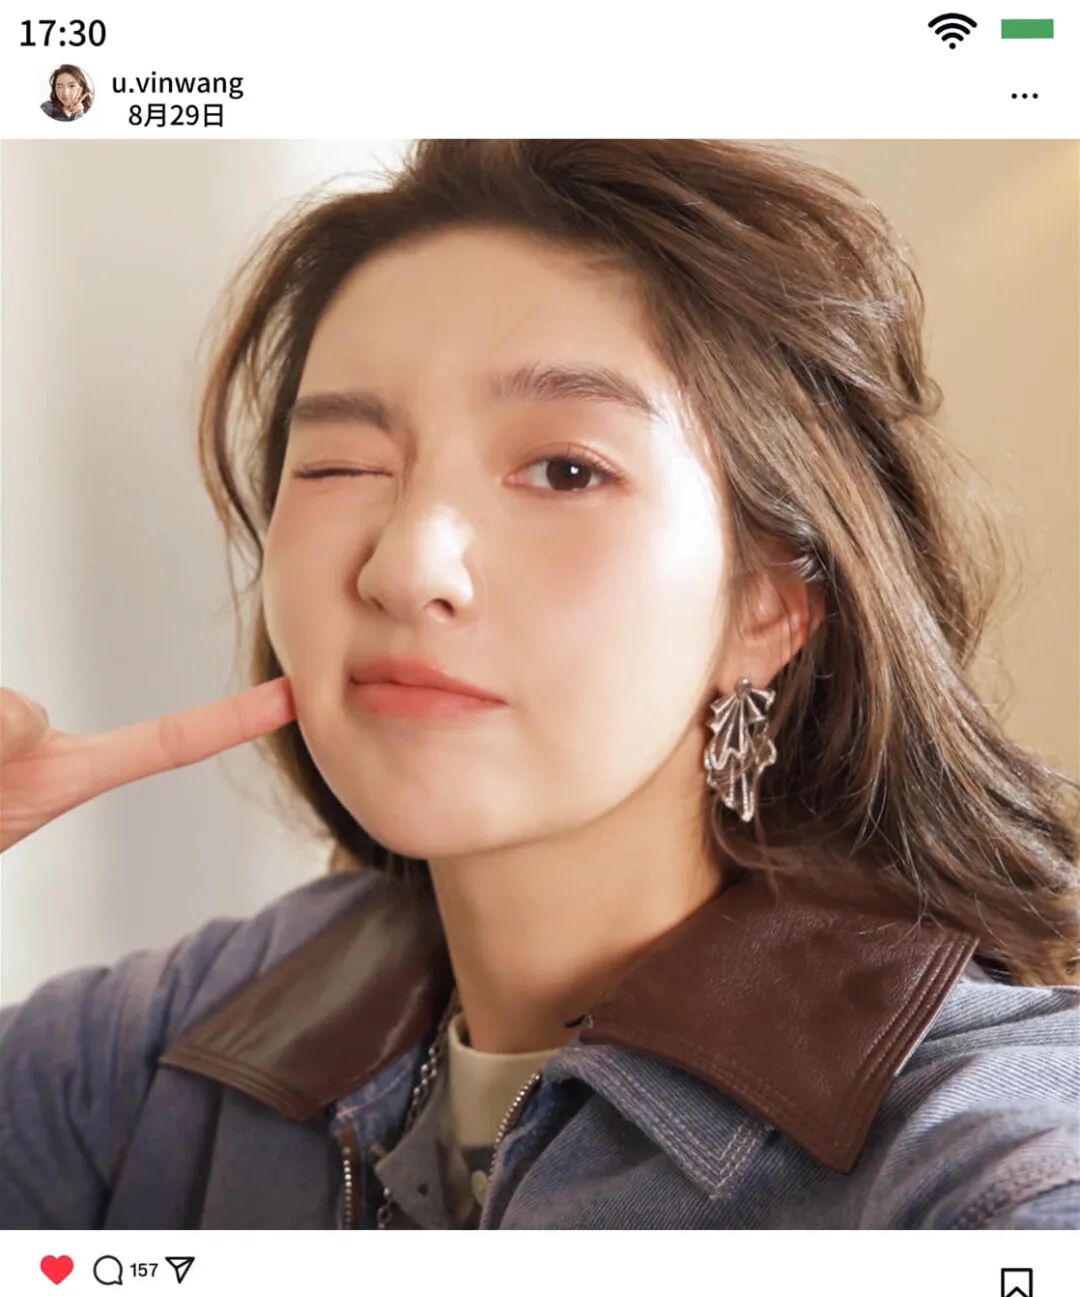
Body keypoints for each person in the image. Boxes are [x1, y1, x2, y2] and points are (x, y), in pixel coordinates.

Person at [0, 139, 1077, 1231]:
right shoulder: (158, 1061)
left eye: (565, 470)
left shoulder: (980, 1164)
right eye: (342, 466)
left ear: (767, 606)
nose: (404, 567)